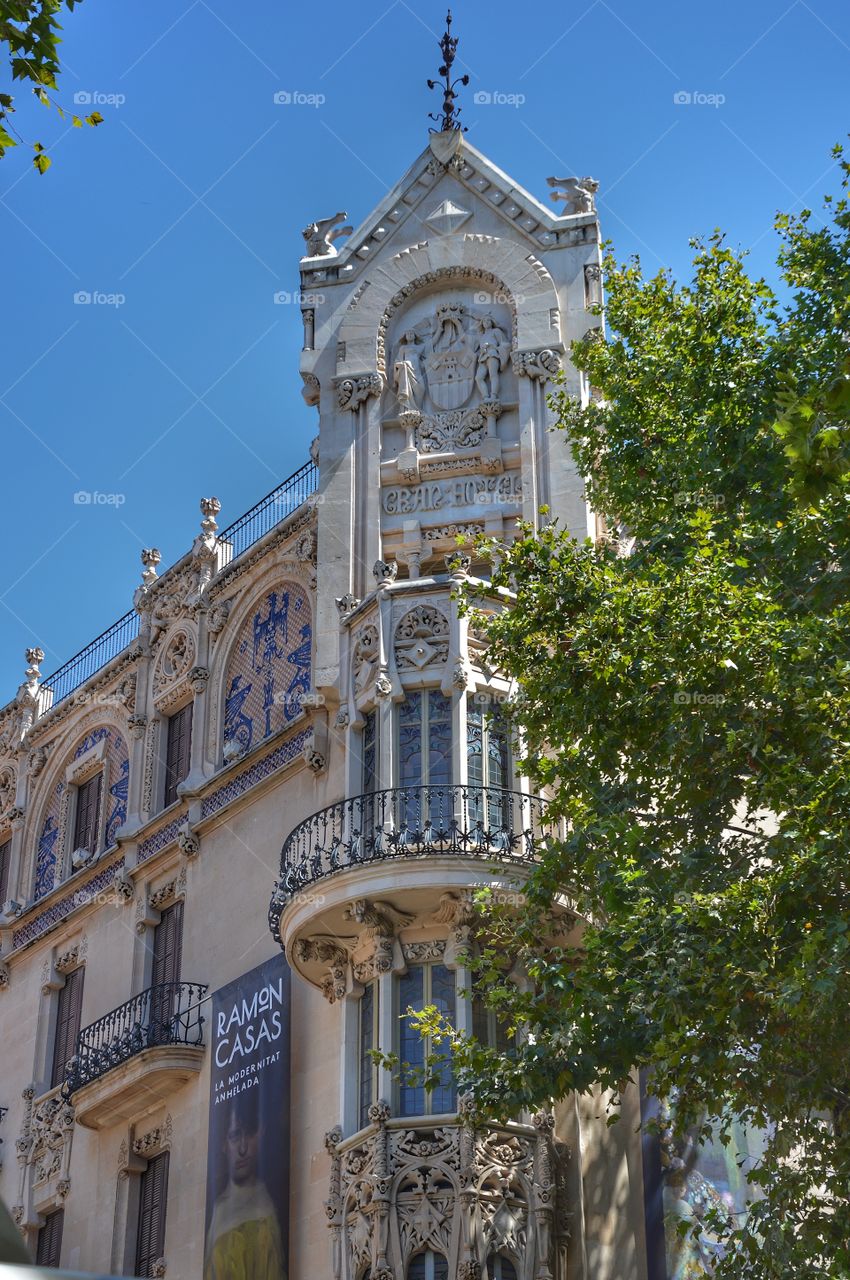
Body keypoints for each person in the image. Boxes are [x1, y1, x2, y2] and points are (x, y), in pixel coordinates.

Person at [204, 1093, 286, 1280]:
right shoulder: (217, 1210)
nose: (242, 1148)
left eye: (249, 1134)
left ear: (261, 1133)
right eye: (234, 1136)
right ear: (224, 1143)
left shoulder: (271, 1204)